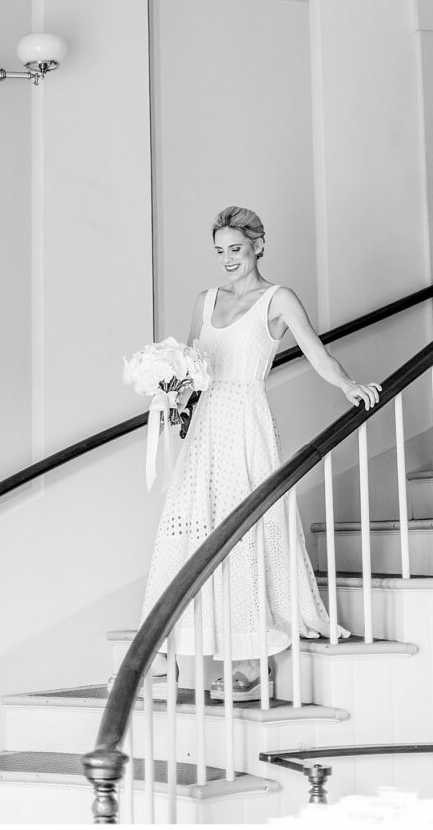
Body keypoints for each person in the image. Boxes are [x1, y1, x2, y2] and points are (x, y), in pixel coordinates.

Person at [139, 206, 381, 701]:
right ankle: (164, 655)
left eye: (236, 248)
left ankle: (253, 659)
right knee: (182, 527)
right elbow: (190, 367)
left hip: (246, 423)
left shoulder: (278, 298)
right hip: (205, 427)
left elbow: (317, 351)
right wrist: (169, 392)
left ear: (258, 245)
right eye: (220, 250)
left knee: (243, 530)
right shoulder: (204, 301)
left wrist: (347, 385)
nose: (228, 259)